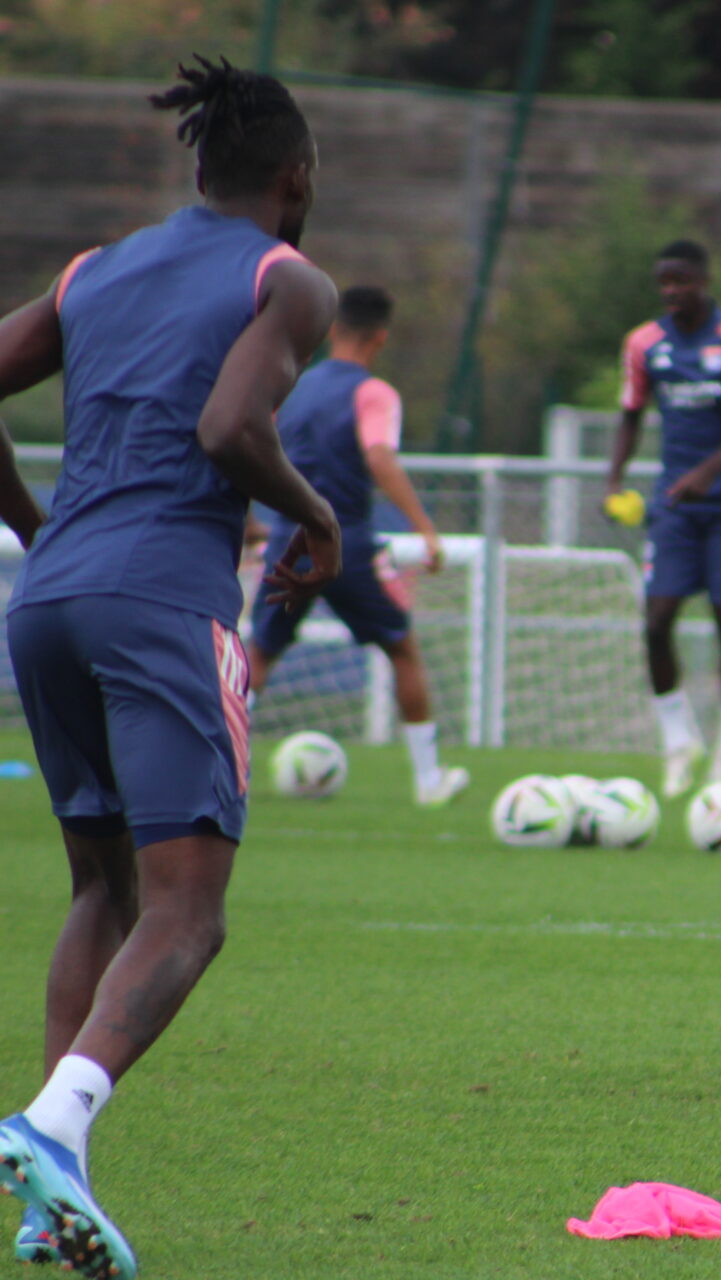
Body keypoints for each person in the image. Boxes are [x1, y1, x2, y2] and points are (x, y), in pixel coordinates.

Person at [0, 57, 340, 1276]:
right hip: (162, 601)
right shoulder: (285, 278)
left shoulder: (96, 268)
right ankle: (52, 1120)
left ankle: (52, 1193)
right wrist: (318, 517)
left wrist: (42, 531)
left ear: (198, 169)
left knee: (102, 889)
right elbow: (228, 431)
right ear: (296, 180)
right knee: (190, 910)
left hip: (47, 602)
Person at [246, 286, 469, 807]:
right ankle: (428, 779)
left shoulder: (293, 385)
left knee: (261, 652)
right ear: (381, 338)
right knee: (401, 649)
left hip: (287, 540)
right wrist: (425, 529)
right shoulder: (374, 393)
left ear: (333, 331)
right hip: (346, 544)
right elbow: (379, 457)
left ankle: (215, 767)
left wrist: (253, 520)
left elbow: (250, 445)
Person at [606, 240, 721, 798]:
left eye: (680, 281)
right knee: (656, 621)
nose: (671, 292)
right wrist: (613, 480)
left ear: (704, 279)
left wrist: (709, 471)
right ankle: (678, 739)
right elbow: (629, 415)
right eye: (664, 283)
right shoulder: (644, 344)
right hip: (673, 508)